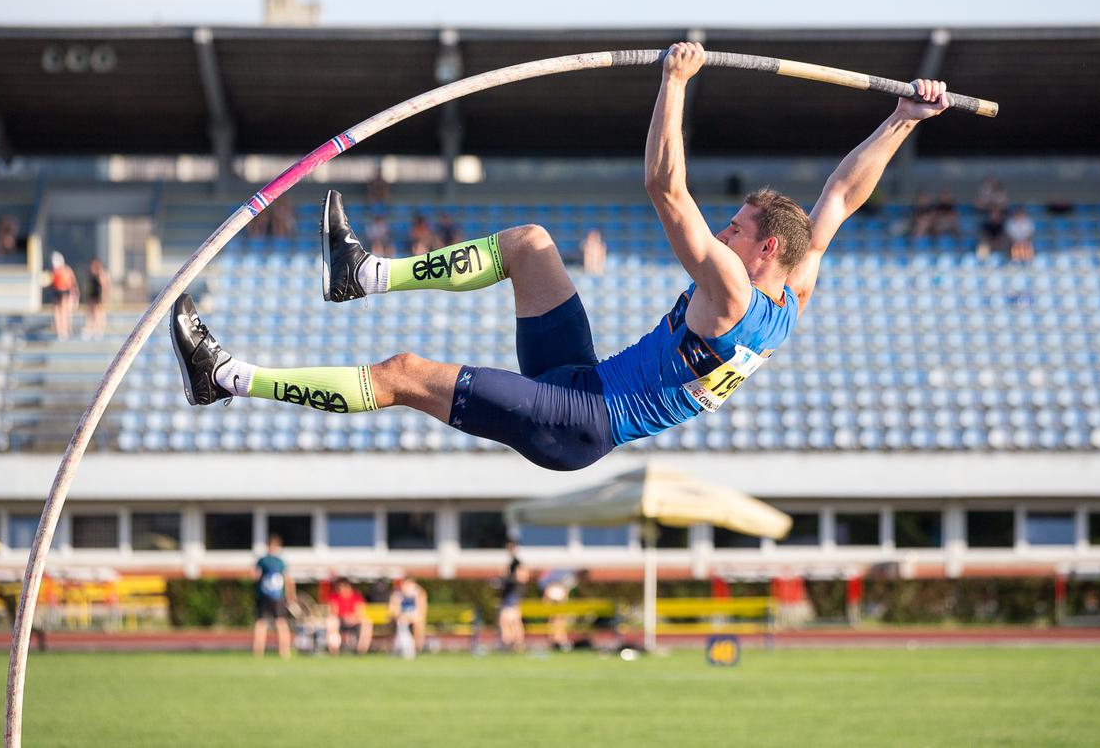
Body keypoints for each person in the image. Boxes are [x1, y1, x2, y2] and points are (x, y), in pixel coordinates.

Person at [170, 42, 952, 471]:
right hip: (583, 380)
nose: (724, 231)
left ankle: (227, 378)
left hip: (580, 424)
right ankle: (363, 274)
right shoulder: (793, 291)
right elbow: (844, 196)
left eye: (737, 227)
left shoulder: (732, 293)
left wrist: (676, 82)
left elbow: (663, 186)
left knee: (404, 372)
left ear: (764, 248)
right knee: (530, 246)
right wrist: (904, 119)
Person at [253, 534, 297, 658]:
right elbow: (288, 579)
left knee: (263, 623)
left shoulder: (262, 561)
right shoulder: (280, 562)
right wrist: (291, 595)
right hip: (277, 597)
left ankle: (258, 652)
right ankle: (284, 652)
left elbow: (256, 576)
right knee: (279, 623)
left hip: (266, 596)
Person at [326, 578, 372, 655]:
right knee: (331, 620)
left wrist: (353, 618)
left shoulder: (357, 597)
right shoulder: (334, 597)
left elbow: (360, 611)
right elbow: (334, 611)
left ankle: (361, 650)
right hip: (340, 620)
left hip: (355, 621)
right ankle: (334, 648)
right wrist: (344, 617)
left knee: (367, 622)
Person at [388, 577, 428, 657]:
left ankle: (417, 649)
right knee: (401, 622)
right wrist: (401, 616)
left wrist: (411, 619)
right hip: (400, 620)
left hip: (415, 619)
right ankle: (402, 648)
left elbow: (422, 614)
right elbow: (393, 612)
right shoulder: (396, 595)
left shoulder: (420, 594)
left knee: (419, 625)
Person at [498, 540, 526, 651]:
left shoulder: (516, 563)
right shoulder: (511, 562)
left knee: (512, 620)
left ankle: (515, 643)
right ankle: (512, 643)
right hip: (510, 595)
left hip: (513, 595)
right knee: (508, 620)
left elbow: (522, 578)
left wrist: (507, 578)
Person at [48, 252, 79, 341]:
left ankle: (65, 330)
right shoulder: (54, 272)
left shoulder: (66, 270)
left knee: (64, 312)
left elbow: (72, 283)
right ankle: (60, 331)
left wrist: (75, 295)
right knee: (58, 312)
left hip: (64, 292)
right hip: (58, 291)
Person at [83, 257, 110, 338]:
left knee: (98, 312)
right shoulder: (91, 274)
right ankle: (91, 328)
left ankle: (99, 329)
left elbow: (104, 286)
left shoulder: (101, 274)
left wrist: (104, 297)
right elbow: (89, 286)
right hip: (92, 295)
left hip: (98, 295)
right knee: (91, 312)